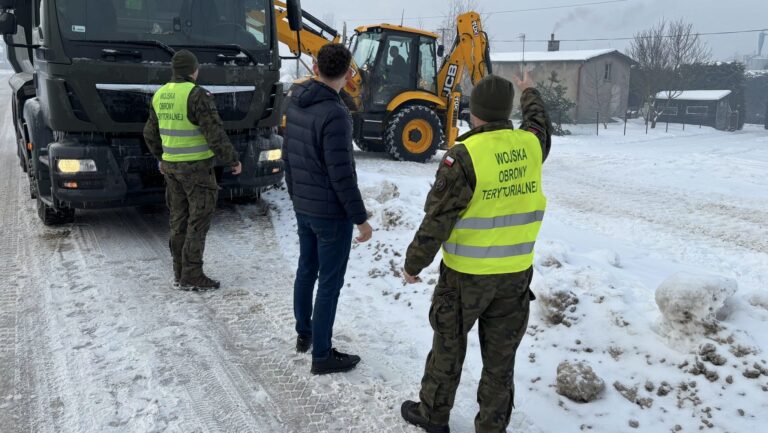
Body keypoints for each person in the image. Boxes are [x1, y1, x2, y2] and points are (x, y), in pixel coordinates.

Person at [400, 73, 552, 433]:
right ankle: (492, 427)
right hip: (515, 279)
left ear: (475, 113)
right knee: (501, 362)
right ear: (506, 110)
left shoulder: (465, 156)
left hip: (465, 278)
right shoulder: (531, 146)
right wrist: (529, 89)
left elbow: (438, 219)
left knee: (448, 347)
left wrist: (413, 263)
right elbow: (539, 123)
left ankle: (433, 415)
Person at [282, 44, 374, 375]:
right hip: (329, 215)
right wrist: (360, 219)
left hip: (305, 206)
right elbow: (342, 175)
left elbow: (288, 156)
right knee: (329, 282)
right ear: (349, 74)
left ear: (315, 66)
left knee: (307, 269)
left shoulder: (296, 102)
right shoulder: (335, 114)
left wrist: (296, 198)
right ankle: (321, 354)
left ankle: (304, 335)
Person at [144, 50, 242, 291]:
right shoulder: (197, 95)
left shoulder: (160, 95)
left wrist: (162, 157)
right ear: (193, 70)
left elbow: (149, 133)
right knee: (198, 222)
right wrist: (232, 160)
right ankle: (193, 275)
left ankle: (179, 272)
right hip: (197, 170)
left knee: (178, 220)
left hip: (172, 170)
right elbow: (215, 133)